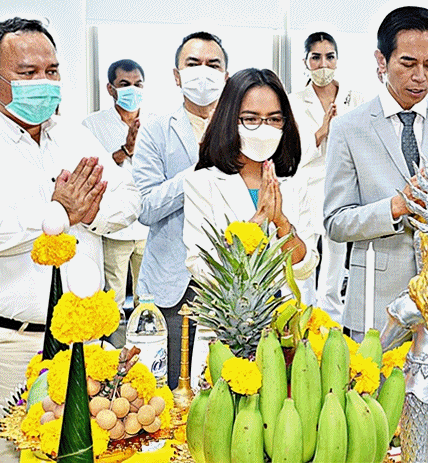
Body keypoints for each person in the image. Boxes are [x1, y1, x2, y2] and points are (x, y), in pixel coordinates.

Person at [0, 17, 140, 463]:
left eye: (52, 71)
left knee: (86, 455)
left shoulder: (75, 136)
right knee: (5, 457)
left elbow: (128, 199)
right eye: (28, 72)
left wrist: (86, 212)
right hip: (3, 345)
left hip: (82, 345)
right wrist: (56, 214)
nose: (44, 82)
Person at [324, 5, 428, 336]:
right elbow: (336, 222)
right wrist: (395, 207)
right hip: (376, 308)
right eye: (408, 63)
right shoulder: (348, 128)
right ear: (381, 60)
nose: (420, 76)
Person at [184, 68, 319, 378]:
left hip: (284, 330)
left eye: (274, 119)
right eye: (251, 119)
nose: (263, 129)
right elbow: (201, 265)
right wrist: (255, 224)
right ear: (230, 120)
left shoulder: (295, 184)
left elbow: (304, 266)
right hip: (226, 333)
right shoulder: (202, 183)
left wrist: (280, 221)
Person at [132, 31, 228, 389]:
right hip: (172, 281)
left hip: (227, 278)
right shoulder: (156, 130)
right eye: (193, 63)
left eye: (213, 65)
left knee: (225, 385)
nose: (203, 72)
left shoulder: (242, 128)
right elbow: (146, 207)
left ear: (226, 76)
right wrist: (198, 171)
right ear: (177, 75)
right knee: (169, 385)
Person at [289, 31, 365, 318]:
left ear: (337, 60)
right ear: (305, 62)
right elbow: (291, 155)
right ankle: (303, 319)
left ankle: (331, 322)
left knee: (335, 263)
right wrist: (322, 132)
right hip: (306, 189)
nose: (323, 65)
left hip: (342, 189)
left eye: (329, 57)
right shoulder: (293, 102)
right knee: (304, 261)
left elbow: (363, 146)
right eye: (316, 58)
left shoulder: (355, 99)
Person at [82, 59, 150, 316]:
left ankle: (145, 340)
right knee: (113, 299)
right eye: (124, 84)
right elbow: (90, 170)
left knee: (148, 299)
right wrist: (125, 151)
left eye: (138, 84)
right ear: (110, 89)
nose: (132, 90)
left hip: (148, 226)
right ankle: (113, 341)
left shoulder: (156, 123)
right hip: (113, 227)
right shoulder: (92, 125)